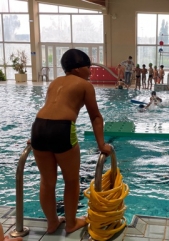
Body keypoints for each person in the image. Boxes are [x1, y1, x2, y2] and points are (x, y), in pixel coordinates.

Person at [30, 49, 112, 234]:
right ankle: (71, 223)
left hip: (38, 128)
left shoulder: (55, 82)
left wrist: (36, 137)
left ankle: (52, 223)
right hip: (62, 129)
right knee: (72, 180)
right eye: (88, 67)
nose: (90, 71)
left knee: (47, 181)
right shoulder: (85, 85)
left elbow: (50, 110)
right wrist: (101, 145)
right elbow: (96, 118)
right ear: (77, 69)